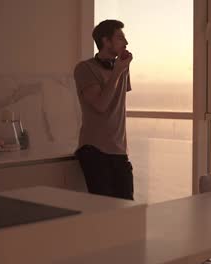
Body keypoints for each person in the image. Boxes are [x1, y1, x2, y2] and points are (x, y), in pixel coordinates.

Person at [73, 19, 134, 200]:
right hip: (95, 151)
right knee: (105, 212)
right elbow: (101, 105)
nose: (126, 42)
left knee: (127, 211)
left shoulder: (121, 68)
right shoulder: (85, 69)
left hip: (119, 151)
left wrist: (121, 69)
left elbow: (117, 103)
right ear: (106, 41)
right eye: (120, 37)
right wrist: (117, 71)